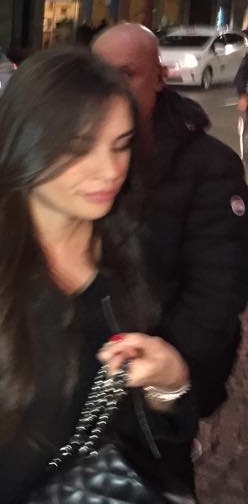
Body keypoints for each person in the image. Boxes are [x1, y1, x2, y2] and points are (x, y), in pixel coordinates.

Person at [0, 48, 197, 503]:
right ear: (25, 142)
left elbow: (150, 445)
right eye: (80, 146)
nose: (110, 170)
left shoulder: (136, 250)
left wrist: (171, 385)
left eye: (121, 145)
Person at [92, 23, 248, 460]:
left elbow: (218, 290)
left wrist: (164, 380)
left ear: (159, 78)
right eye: (99, 74)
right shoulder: (79, 152)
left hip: (155, 386)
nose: (111, 88)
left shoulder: (210, 166)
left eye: (127, 74)